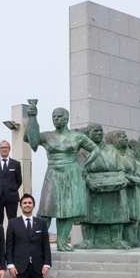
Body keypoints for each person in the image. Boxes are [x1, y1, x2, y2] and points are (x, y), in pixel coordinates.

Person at [25, 103, 98, 251]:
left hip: (71, 173)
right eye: (54, 117)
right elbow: (31, 139)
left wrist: (83, 166)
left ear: (66, 119)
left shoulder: (77, 136)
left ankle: (62, 242)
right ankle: (38, 243)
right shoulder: (47, 136)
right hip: (53, 172)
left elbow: (95, 149)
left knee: (67, 211)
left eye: (59, 117)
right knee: (46, 210)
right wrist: (32, 117)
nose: (56, 119)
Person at [0, 140, 23, 224]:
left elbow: (19, 181)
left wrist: (11, 188)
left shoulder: (16, 164)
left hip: (11, 196)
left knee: (13, 221)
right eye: (2, 147)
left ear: (9, 149)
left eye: (6, 147)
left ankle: (11, 237)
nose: (4, 149)